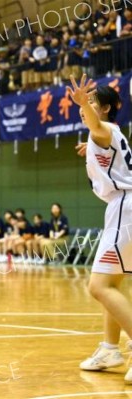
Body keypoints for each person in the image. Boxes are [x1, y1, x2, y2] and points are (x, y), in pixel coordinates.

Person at [71, 76, 132, 381]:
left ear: (106, 108)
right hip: (124, 208)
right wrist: (93, 148)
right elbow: (101, 136)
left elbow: (97, 128)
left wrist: (83, 103)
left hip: (125, 209)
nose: (86, 105)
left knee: (98, 286)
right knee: (112, 285)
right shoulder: (109, 134)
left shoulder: (102, 129)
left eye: (94, 101)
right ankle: (110, 348)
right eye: (86, 101)